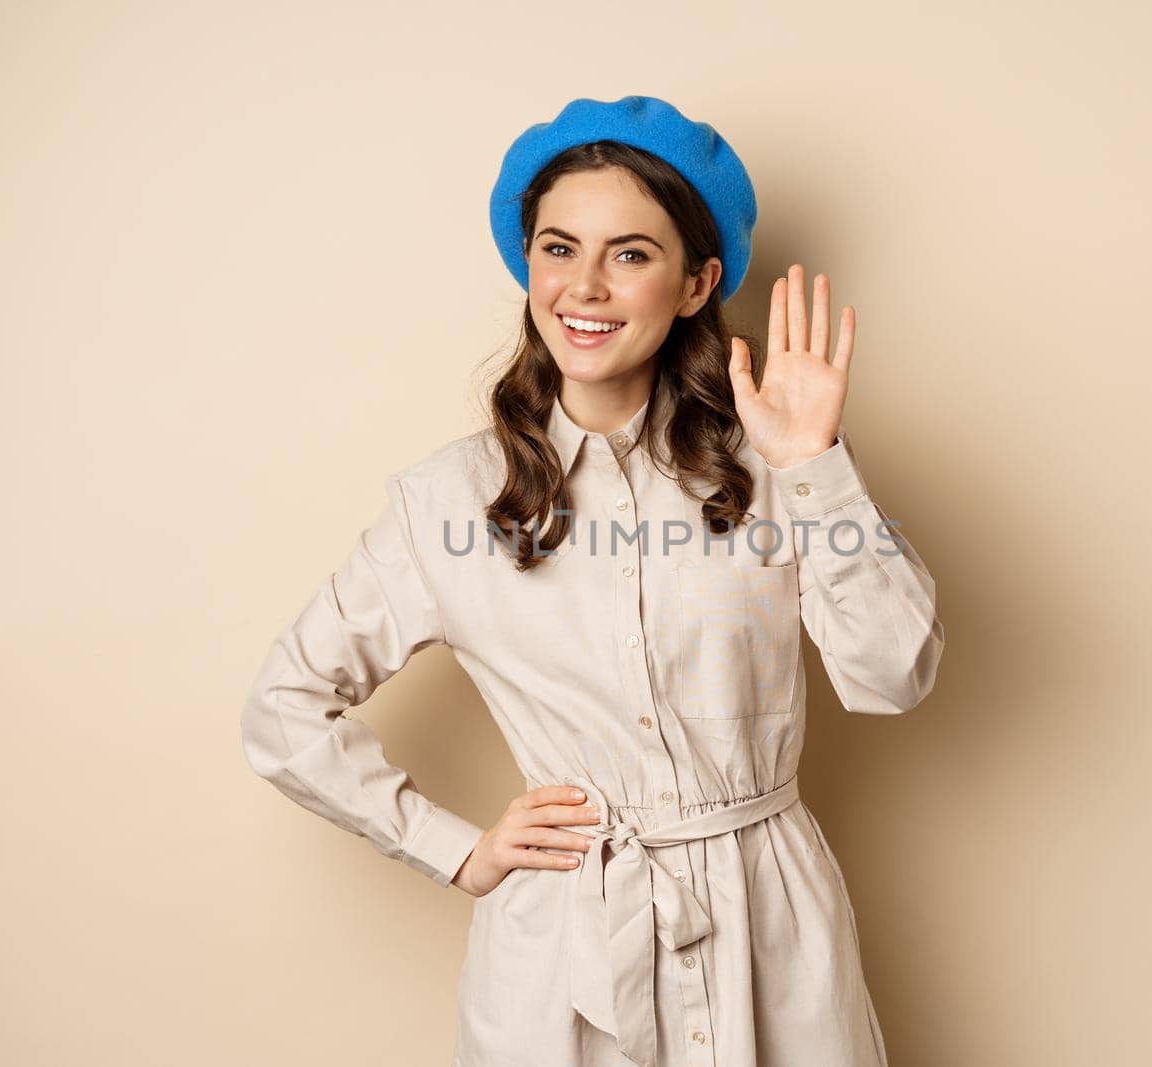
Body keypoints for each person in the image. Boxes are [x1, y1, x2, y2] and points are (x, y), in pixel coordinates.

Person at [239, 94, 946, 1067]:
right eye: (559, 248)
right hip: (559, 957)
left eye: (631, 253)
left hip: (773, 930)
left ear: (696, 283)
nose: (586, 287)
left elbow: (893, 673)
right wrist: (453, 845)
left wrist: (813, 463)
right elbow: (283, 706)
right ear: (527, 263)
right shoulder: (448, 498)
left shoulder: (776, 463)